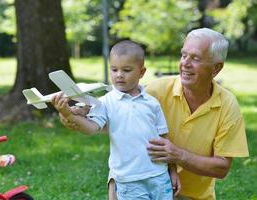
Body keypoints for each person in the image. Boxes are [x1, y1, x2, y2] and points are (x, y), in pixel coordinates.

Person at [57, 28, 249, 200]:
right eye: (183, 55)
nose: (185, 64)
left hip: (192, 196)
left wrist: (178, 155)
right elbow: (117, 114)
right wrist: (81, 113)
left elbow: (222, 168)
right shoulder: (157, 90)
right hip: (139, 184)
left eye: (195, 58)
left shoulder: (227, 105)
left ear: (216, 68)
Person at [52, 40, 180, 199]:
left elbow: (164, 138)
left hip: (159, 176)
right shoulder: (106, 102)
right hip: (129, 180)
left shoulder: (152, 103)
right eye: (114, 69)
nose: (119, 74)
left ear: (141, 72)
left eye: (126, 70)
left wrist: (172, 170)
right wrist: (69, 115)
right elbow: (91, 128)